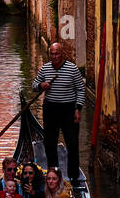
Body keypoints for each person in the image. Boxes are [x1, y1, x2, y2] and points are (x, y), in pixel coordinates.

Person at [32, 41, 85, 182]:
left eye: (57, 54)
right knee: (50, 143)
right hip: (50, 109)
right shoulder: (45, 68)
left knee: (72, 143)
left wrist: (78, 109)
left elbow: (80, 89)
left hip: (69, 109)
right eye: (52, 54)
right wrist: (41, 85)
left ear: (63, 54)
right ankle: (53, 174)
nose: (54, 56)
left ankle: (73, 176)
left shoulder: (72, 69)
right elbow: (34, 85)